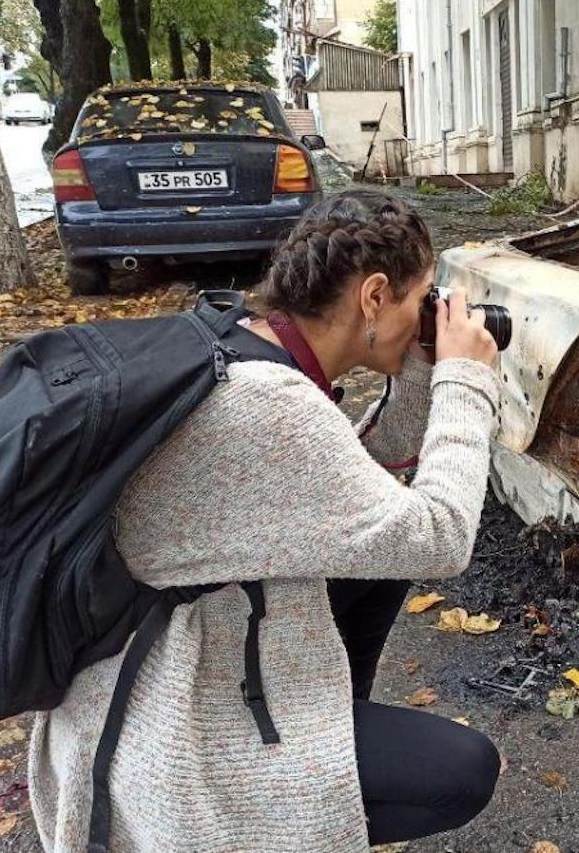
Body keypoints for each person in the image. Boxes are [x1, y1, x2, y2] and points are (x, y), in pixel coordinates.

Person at [28, 189, 504, 852]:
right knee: (462, 771)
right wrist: (464, 380)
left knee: (379, 557)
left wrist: (425, 365)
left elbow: (361, 475)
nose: (431, 313)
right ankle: (286, 816)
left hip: (167, 644)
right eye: (420, 298)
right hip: (169, 716)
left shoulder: (239, 342)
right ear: (372, 297)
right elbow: (441, 536)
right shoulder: (273, 405)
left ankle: (334, 729)